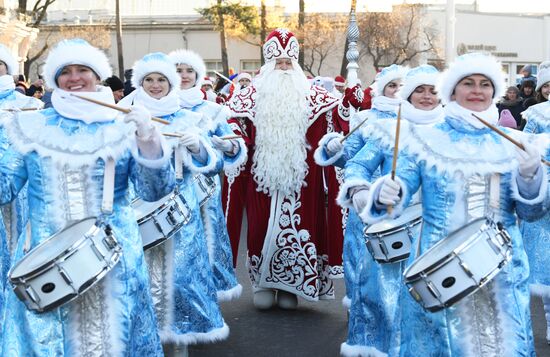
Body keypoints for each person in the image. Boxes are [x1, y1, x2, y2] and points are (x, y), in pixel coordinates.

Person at [356, 52, 544, 356]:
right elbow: (397, 192)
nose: (476, 90)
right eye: (467, 83)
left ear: (494, 92)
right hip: (438, 269)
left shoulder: (513, 142)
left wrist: (531, 175)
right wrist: (385, 195)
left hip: (503, 271)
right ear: (452, 91)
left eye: (484, 84)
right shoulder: (424, 140)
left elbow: (531, 213)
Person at [0, 38, 175, 356]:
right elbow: (4, 189)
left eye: (84, 70)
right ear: (54, 80)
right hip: (43, 258)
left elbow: (155, 190)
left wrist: (149, 140)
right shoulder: (30, 125)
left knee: (115, 337)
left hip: (115, 255)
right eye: (65, 71)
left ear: (98, 76)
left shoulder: (124, 124)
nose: (75, 78)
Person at [223, 28, 345, 309]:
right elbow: (237, 130)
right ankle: (262, 283)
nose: (283, 68)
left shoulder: (316, 97)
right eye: (278, 63)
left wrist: (335, 139)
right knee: (258, 228)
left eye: (288, 63)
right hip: (260, 180)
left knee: (301, 228)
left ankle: (291, 285)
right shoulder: (247, 97)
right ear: (267, 65)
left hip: (301, 182)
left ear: (296, 63)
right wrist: (233, 143)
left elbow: (331, 132)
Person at [118, 52, 229, 350]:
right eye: (149, 80)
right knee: (141, 278)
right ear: (139, 83)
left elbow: (216, 164)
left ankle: (181, 342)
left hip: (184, 209)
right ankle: (145, 342)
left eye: (161, 80)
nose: (155, 85)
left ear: (171, 84)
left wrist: (199, 149)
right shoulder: (123, 115)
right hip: (138, 206)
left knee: (182, 277)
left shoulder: (190, 118)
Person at [315, 64, 407, 311]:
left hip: (403, 202)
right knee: (361, 254)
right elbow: (351, 160)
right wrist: (334, 150)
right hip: (364, 198)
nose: (397, 91)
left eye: (402, 86)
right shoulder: (363, 118)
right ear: (381, 89)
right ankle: (360, 309)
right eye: (392, 86)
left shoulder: (416, 119)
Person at [168, 48, 246, 302]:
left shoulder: (214, 110)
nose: (184, 75)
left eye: (189, 70)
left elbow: (235, 144)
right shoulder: (158, 107)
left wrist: (230, 147)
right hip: (169, 190)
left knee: (208, 243)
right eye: (178, 70)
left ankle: (206, 301)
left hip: (206, 190)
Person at [519, 60, 550, 343]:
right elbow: (525, 147)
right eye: (548, 86)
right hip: (543, 190)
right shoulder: (537, 114)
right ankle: (549, 321)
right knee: (542, 260)